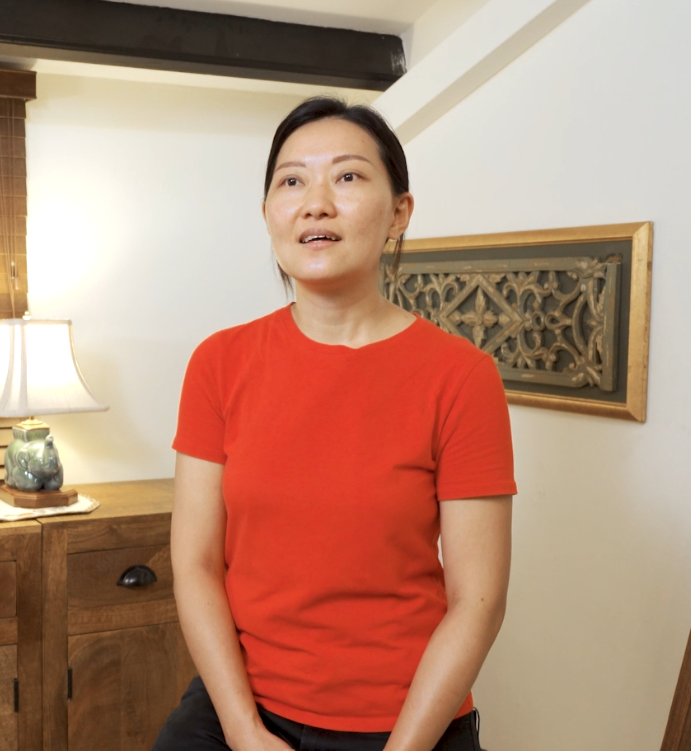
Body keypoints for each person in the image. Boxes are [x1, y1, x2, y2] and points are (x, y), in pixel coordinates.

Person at [154, 97, 516, 751]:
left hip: (402, 722)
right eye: (291, 181)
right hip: (241, 706)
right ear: (268, 212)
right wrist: (242, 730)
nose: (315, 202)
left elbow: (478, 601)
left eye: (347, 177)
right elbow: (197, 563)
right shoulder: (219, 363)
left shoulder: (461, 376)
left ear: (399, 213)